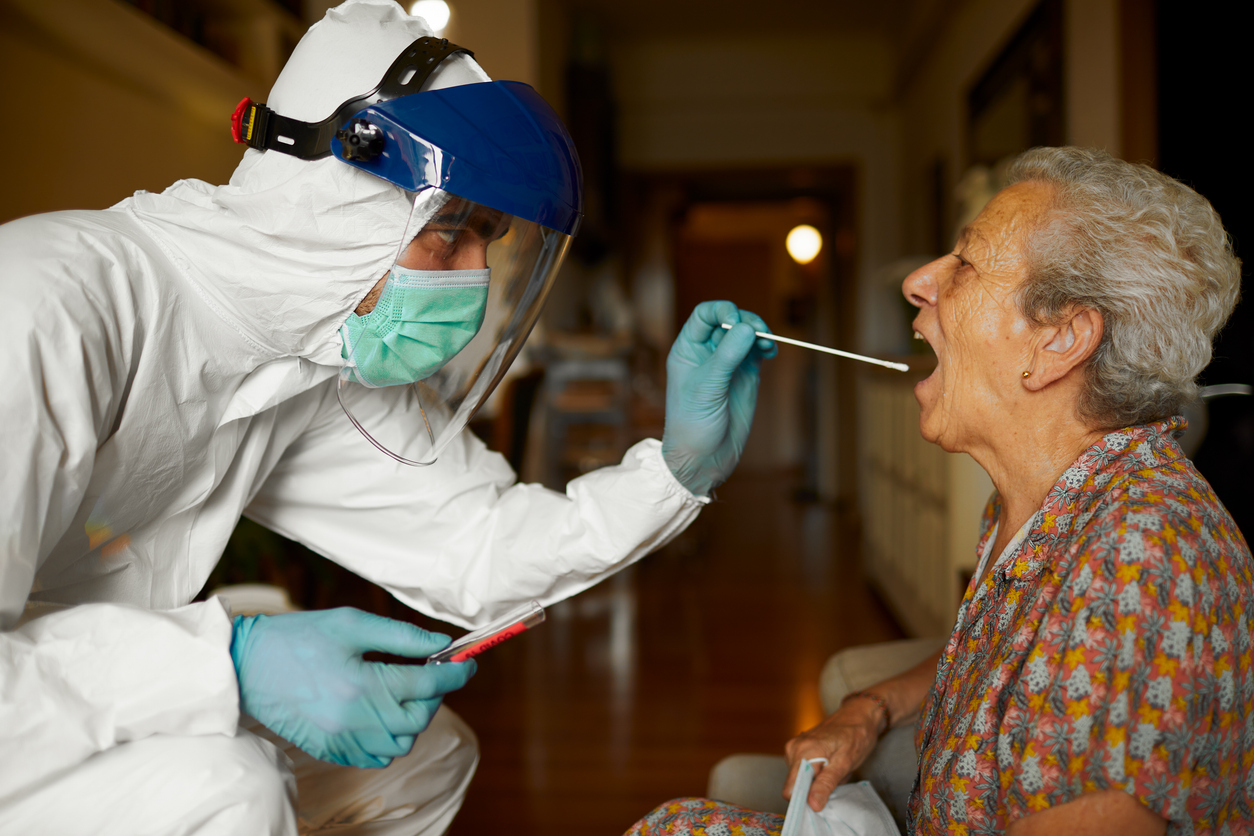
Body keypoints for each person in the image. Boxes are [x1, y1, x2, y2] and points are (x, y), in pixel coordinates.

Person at [0, 1, 776, 833]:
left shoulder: (303, 361)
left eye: (490, 239)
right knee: (228, 785)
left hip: (83, 704)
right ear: (336, 191)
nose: (472, 279)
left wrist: (674, 472)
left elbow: (476, 547)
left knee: (422, 757)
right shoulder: (49, 307)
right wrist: (220, 662)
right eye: (450, 233)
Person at [625, 146, 1251, 836]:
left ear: (1061, 340)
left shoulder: (1139, 559)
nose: (919, 282)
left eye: (966, 262)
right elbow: (996, 654)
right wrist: (872, 707)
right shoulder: (1050, 499)